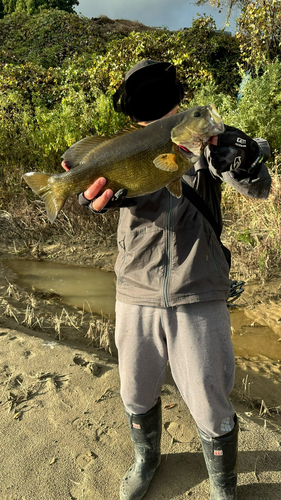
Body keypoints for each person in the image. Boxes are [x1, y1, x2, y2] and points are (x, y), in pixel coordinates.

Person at [62, 60, 271, 500]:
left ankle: (223, 485)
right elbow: (94, 193)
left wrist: (246, 158)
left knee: (211, 403)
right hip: (134, 289)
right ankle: (146, 458)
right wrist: (89, 198)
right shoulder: (124, 147)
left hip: (200, 290)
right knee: (135, 390)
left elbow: (258, 188)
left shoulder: (208, 142)